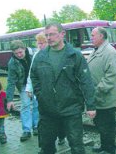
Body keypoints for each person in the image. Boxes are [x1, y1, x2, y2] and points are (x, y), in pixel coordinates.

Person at [30, 22, 96, 154]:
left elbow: (86, 81)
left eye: (52, 34)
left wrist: (90, 105)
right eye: (47, 35)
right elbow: (34, 77)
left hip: (71, 109)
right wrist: (41, 95)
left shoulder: (74, 55)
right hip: (47, 110)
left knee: (77, 146)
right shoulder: (41, 56)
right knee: (46, 146)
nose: (49, 38)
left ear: (62, 34)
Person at [87, 27, 116, 154]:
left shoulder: (110, 52)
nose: (91, 37)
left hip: (104, 96)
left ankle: (110, 149)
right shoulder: (98, 50)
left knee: (107, 125)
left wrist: (96, 90)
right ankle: (104, 146)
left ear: (101, 36)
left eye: (93, 35)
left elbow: (111, 76)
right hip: (98, 96)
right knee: (101, 123)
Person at [6, 40, 37, 142]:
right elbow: (11, 82)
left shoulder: (34, 54)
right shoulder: (12, 63)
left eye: (20, 52)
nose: (19, 55)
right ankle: (26, 130)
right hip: (23, 85)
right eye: (16, 53)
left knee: (37, 104)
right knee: (26, 105)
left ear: (24, 49)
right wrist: (9, 99)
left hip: (36, 83)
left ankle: (36, 126)